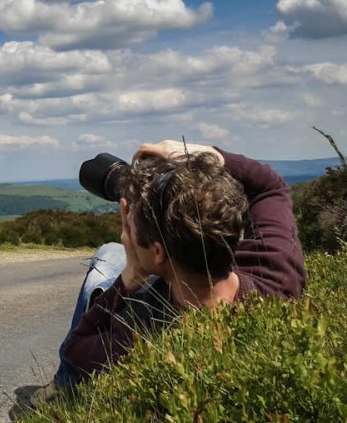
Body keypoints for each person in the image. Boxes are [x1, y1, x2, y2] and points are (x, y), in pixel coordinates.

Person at [29, 140, 307, 406]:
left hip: (149, 288)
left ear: (158, 253)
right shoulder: (276, 274)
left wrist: (129, 279)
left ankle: (64, 384)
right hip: (184, 271)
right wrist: (203, 156)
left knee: (108, 253)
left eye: (131, 225)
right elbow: (271, 187)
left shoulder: (139, 339)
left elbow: (75, 348)